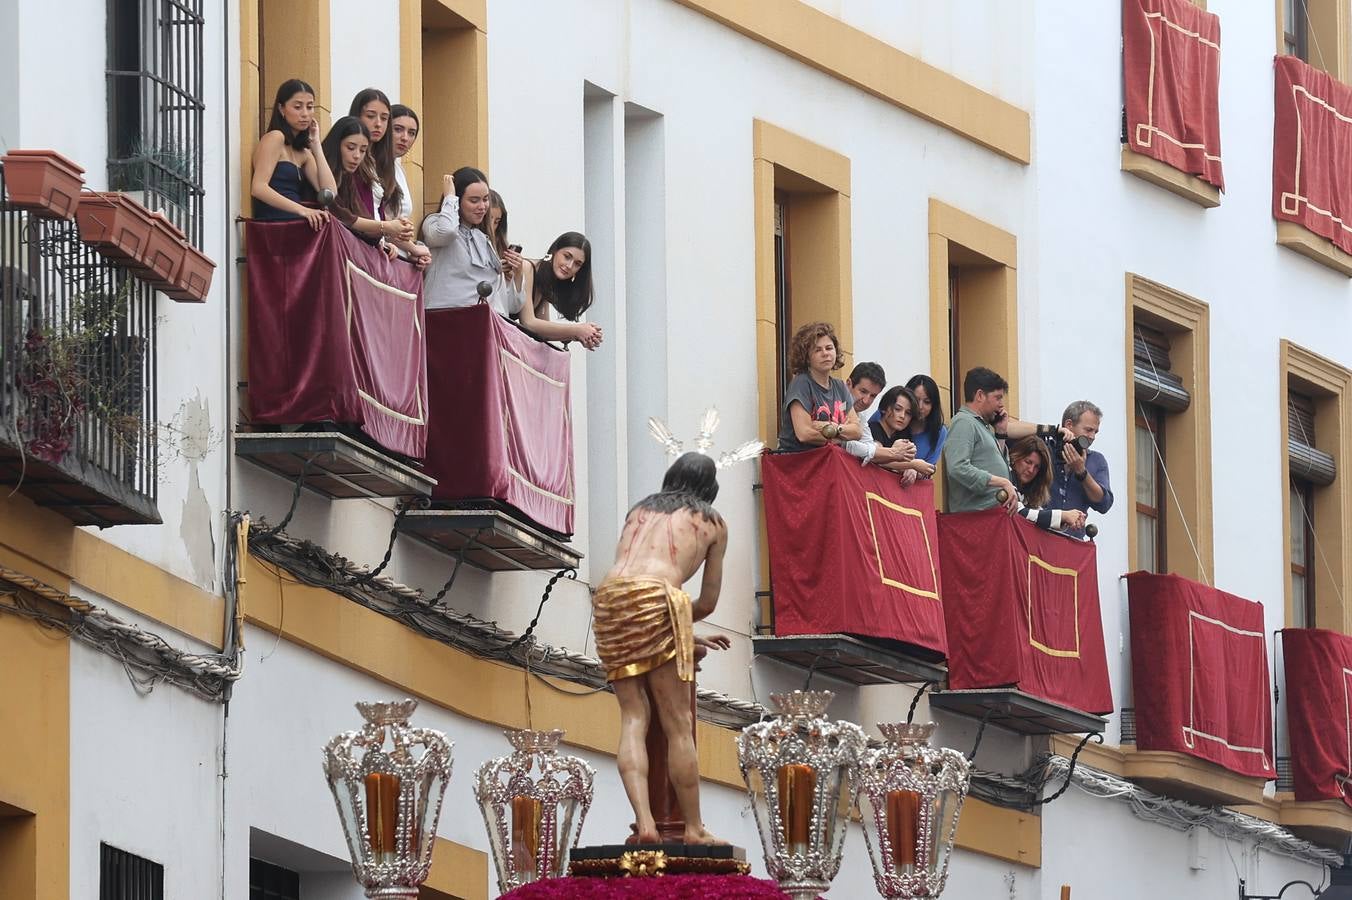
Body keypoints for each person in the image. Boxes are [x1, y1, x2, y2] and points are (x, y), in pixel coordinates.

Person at [591, 452, 728, 846]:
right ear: (710, 487)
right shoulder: (713, 522)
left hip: (610, 598)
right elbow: (706, 603)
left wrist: (684, 637)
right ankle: (693, 828)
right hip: (659, 599)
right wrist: (682, 631)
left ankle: (645, 824)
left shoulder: (640, 509)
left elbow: (634, 581)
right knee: (676, 723)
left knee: (634, 717)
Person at [250, 79, 337, 227]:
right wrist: (303, 210)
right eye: (297, 107)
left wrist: (316, 146)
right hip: (274, 226)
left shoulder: (304, 153)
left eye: (310, 107)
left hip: (295, 224)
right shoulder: (275, 137)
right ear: (281, 109)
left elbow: (329, 193)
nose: (305, 114)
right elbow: (258, 188)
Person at [320, 117, 400, 260]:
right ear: (336, 145)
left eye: (363, 150)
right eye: (350, 148)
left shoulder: (347, 176)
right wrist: (386, 227)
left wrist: (383, 241)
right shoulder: (321, 170)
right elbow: (345, 217)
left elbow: (360, 213)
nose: (357, 156)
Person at [941, 367, 1019, 513]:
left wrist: (1001, 433)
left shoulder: (984, 427)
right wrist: (1001, 482)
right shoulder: (964, 422)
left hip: (992, 517)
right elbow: (957, 468)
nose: (1001, 404)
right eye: (998, 397)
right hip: (976, 520)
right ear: (980, 395)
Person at [777, 322, 862, 452]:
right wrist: (841, 439)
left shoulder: (840, 387)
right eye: (817, 350)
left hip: (829, 458)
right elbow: (804, 434)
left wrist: (833, 428)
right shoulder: (801, 383)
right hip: (800, 462)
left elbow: (857, 431)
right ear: (806, 357)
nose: (825, 353)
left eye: (829, 348)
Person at [522, 232, 604, 349]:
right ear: (554, 251)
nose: (569, 266)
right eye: (567, 256)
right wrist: (578, 330)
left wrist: (581, 335)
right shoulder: (527, 268)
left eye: (577, 264)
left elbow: (541, 333)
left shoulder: (546, 283)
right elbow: (529, 323)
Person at [1046, 400, 1114, 538]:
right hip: (1039, 535)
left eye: (1095, 432)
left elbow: (1104, 504)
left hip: (1072, 545)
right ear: (1069, 425)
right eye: (1088, 430)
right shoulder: (1045, 449)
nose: (1092, 437)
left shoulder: (1096, 460)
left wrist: (1081, 472)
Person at [1008, 436, 1086, 532]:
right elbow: (1018, 512)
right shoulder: (1005, 475)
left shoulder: (1028, 492)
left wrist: (1066, 520)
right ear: (1015, 457)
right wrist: (1063, 516)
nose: (1031, 470)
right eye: (1028, 462)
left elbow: (1039, 514)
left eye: (1037, 467)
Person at [349, 88, 402, 218]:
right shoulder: (349, 157)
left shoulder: (382, 162)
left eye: (384, 118)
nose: (378, 124)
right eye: (371, 116)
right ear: (357, 116)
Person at [869, 385, 934, 485]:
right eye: (898, 409)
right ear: (884, 408)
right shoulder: (872, 428)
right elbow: (876, 457)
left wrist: (913, 471)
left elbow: (905, 462)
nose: (902, 416)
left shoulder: (902, 436)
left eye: (908, 413)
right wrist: (912, 465)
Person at [904, 374, 949, 467]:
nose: (920, 407)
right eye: (916, 400)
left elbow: (929, 467)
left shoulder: (939, 431)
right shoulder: (889, 414)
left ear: (934, 406)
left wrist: (915, 470)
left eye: (927, 402)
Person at [388, 104, 419, 221]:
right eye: (398, 129)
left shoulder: (399, 170)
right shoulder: (368, 165)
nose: (405, 138)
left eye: (411, 133)